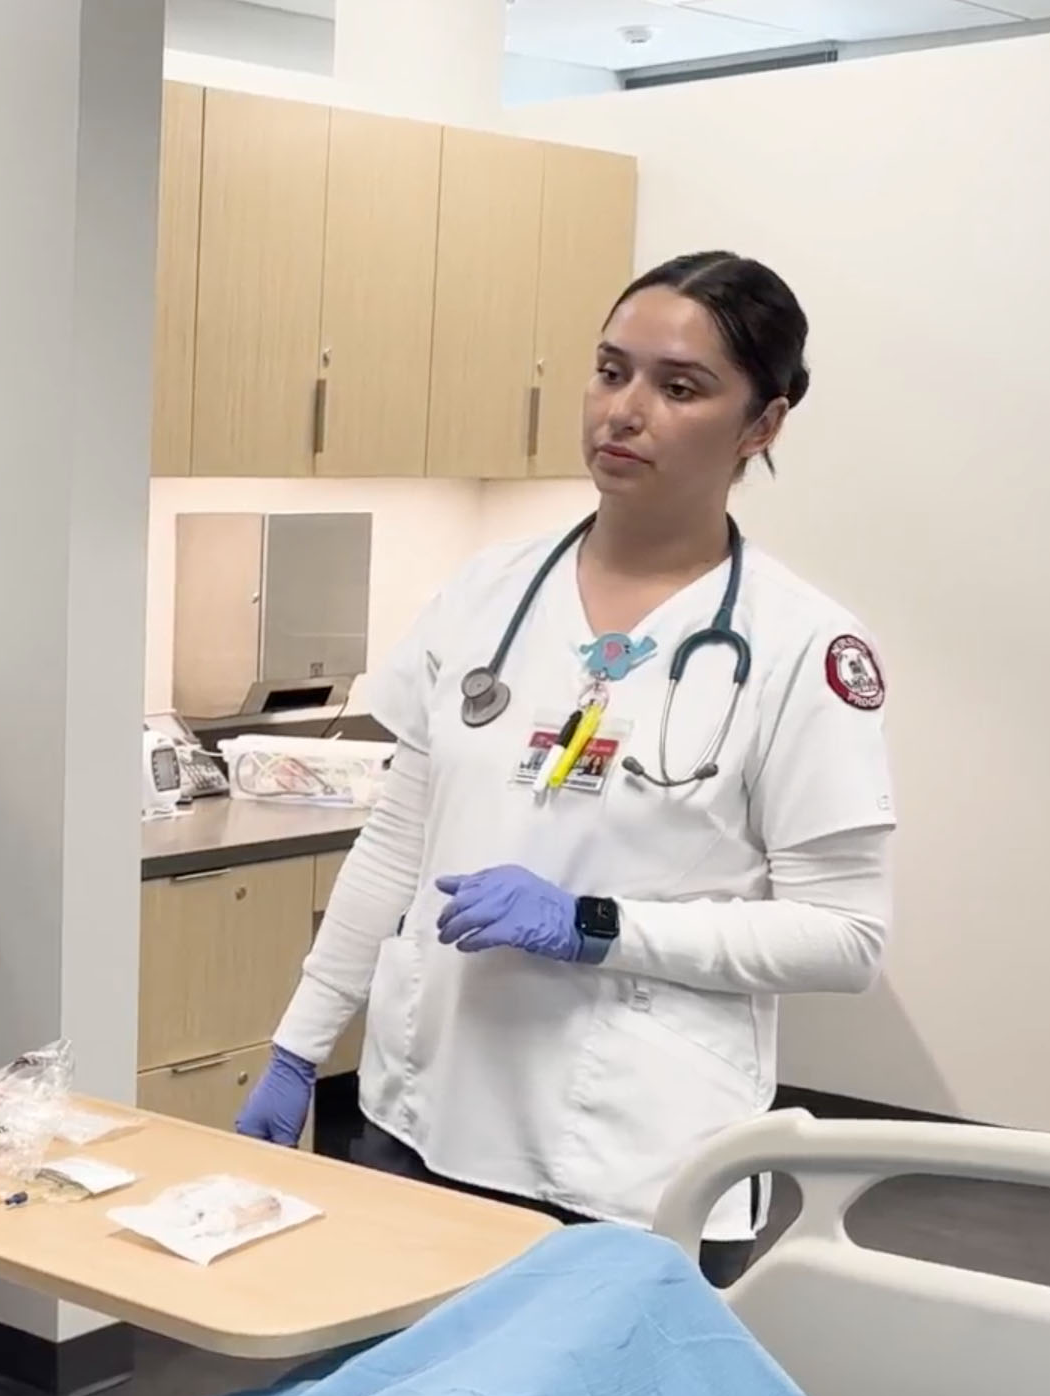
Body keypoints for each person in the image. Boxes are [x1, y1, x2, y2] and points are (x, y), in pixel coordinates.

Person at [234, 252, 894, 1287]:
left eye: (679, 387)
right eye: (609, 370)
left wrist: (596, 926)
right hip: (421, 1123)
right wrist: (297, 1046)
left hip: (636, 1167)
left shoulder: (799, 647)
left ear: (761, 424)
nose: (623, 410)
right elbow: (395, 847)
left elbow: (844, 938)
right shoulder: (483, 596)